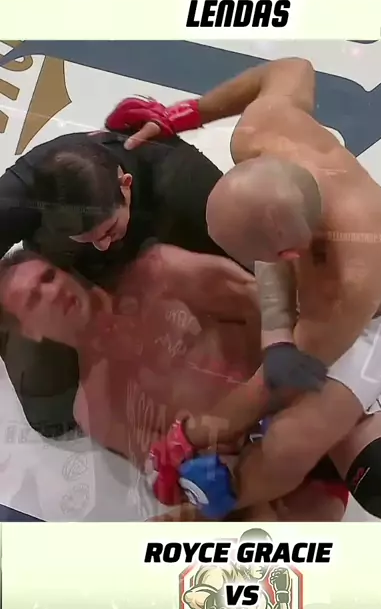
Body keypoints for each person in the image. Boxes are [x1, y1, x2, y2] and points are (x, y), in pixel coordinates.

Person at [105, 58, 381, 522]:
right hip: (325, 256)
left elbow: (276, 382)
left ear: (287, 257)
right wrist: (181, 115)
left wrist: (192, 434)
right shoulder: (261, 134)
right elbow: (291, 68)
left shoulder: (346, 283)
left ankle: (221, 502)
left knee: (292, 444)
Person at [2, 247, 381, 525]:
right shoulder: (95, 406)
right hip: (263, 470)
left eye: (48, 276)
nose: (52, 291)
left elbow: (279, 311)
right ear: (31, 331)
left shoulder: (160, 274)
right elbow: (185, 478)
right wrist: (210, 480)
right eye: (33, 299)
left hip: (314, 397)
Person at [0, 116, 231, 439]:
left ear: (126, 184)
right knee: (50, 410)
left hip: (167, 268)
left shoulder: (182, 178)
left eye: (109, 230)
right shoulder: (24, 189)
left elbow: (259, 258)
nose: (103, 243)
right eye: (88, 237)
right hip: (72, 277)